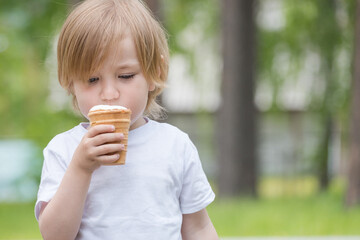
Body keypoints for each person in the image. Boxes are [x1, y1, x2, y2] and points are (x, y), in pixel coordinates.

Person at [34, 0, 218, 239]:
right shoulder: (64, 150)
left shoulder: (176, 146)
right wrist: (80, 168)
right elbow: (54, 235)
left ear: (156, 73)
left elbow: (198, 227)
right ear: (70, 82)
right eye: (92, 80)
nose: (109, 93)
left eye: (125, 76)